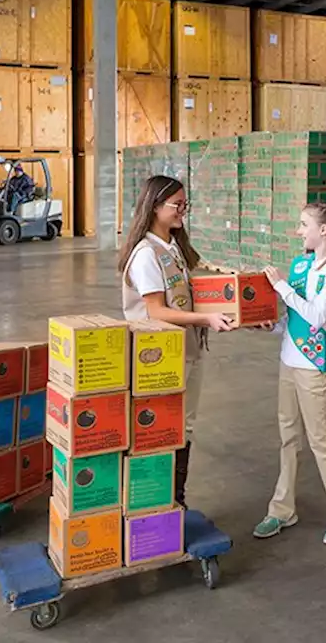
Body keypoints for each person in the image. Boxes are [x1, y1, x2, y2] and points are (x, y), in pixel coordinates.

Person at [119, 175, 237, 507]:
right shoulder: (146, 254)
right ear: (155, 206)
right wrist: (206, 320)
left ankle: (174, 502)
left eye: (186, 204)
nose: (183, 211)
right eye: (177, 205)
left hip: (184, 352)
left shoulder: (171, 248)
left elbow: (187, 299)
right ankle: (158, 502)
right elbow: (156, 311)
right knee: (162, 427)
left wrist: (234, 314)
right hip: (157, 359)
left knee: (183, 425)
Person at [253, 201, 326, 545]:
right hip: (289, 360)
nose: (299, 231)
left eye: (303, 225)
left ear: (324, 231)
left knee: (322, 441)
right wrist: (271, 324)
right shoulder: (300, 264)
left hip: (315, 368)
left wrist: (281, 287)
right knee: (287, 437)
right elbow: (295, 319)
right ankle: (282, 509)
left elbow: (319, 318)